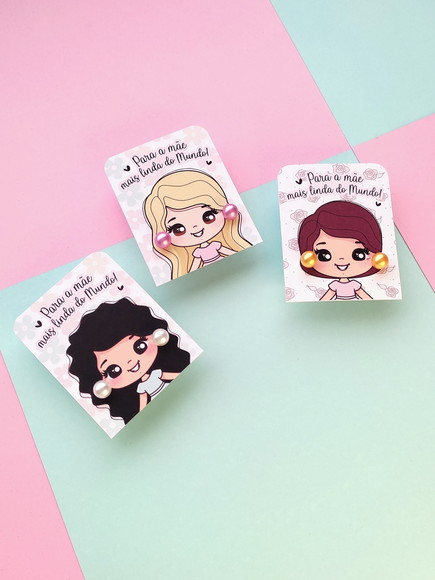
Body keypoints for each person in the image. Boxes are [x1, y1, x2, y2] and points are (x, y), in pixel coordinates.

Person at [67, 298, 190, 423]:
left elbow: (172, 375)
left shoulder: (158, 373)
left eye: (139, 346)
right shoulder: (140, 389)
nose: (131, 363)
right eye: (114, 371)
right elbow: (142, 403)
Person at [144, 169, 251, 279]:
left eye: (208, 216)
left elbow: (228, 252)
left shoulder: (215, 245)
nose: (195, 228)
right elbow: (194, 266)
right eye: (178, 229)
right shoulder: (198, 252)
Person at [298, 200, 384, 300]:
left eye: (358, 254)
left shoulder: (354, 284)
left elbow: (364, 296)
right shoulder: (334, 285)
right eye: (324, 255)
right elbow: (327, 297)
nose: (341, 260)